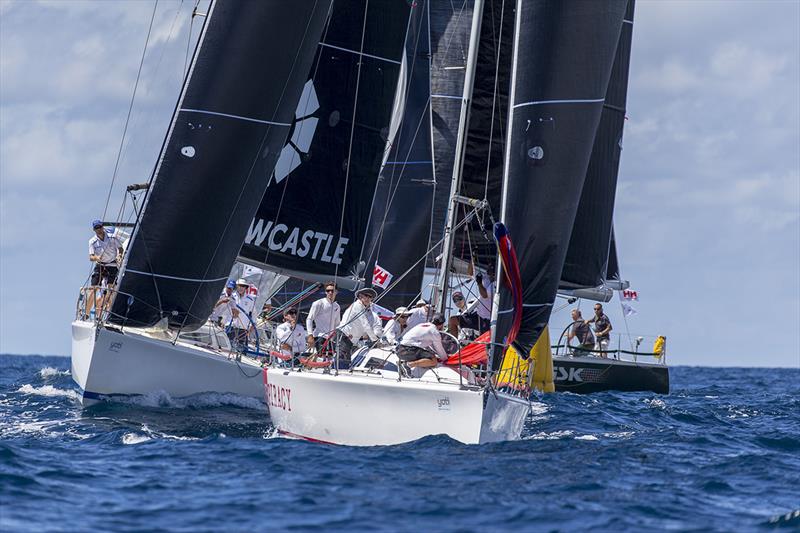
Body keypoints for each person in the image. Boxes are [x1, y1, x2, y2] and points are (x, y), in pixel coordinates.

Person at [336, 287, 382, 368]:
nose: (368, 298)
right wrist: (375, 341)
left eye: (370, 297)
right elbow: (366, 325)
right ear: (360, 296)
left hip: (352, 339)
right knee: (342, 361)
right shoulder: (357, 305)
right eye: (366, 296)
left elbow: (368, 326)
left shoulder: (367, 310)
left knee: (346, 360)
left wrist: (373, 337)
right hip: (344, 336)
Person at [87, 219, 124, 319]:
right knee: (94, 288)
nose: (98, 229)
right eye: (96, 228)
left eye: (99, 227)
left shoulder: (112, 238)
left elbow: (120, 248)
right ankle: (86, 313)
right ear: (94, 230)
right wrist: (96, 258)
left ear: (102, 227)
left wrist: (119, 255)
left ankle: (107, 312)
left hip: (112, 264)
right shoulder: (92, 241)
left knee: (111, 289)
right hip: (100, 265)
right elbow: (91, 257)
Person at [305, 282, 341, 352]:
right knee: (319, 358)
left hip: (330, 339)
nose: (330, 292)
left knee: (330, 360)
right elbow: (309, 319)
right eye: (328, 291)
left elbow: (337, 324)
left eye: (332, 291)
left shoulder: (337, 306)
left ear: (336, 292)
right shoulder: (318, 303)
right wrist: (310, 335)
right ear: (325, 292)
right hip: (319, 336)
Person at [229, 278, 255, 350]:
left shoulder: (250, 299)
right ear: (236, 286)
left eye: (243, 286)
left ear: (245, 288)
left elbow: (253, 314)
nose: (240, 288)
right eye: (239, 286)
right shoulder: (231, 296)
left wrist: (252, 326)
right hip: (230, 326)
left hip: (243, 328)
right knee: (227, 348)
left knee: (241, 350)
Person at [468, 263, 494, 333]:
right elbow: (470, 273)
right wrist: (471, 259)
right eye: (489, 267)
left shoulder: (496, 284)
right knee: (454, 320)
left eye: (491, 269)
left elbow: (484, 295)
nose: (489, 270)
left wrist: (479, 283)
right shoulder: (485, 276)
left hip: (488, 319)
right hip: (479, 315)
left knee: (485, 340)